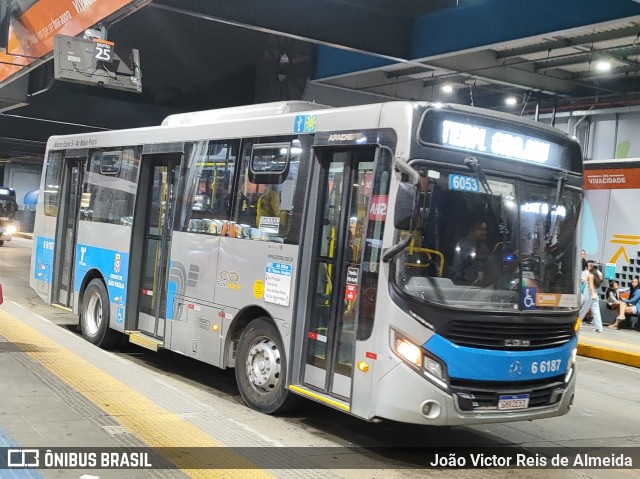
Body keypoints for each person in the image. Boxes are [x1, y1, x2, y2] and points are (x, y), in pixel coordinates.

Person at [450, 220, 491, 284]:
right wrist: (491, 257)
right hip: (460, 281)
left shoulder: (484, 247)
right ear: (471, 231)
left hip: (477, 283)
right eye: (480, 229)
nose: (484, 232)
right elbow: (474, 257)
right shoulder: (463, 243)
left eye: (485, 229)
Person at [578, 259, 603, 332]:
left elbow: (590, 285)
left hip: (589, 292)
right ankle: (599, 328)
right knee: (596, 311)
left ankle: (576, 323)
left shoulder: (588, 274)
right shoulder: (597, 273)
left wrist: (592, 294)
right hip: (594, 293)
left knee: (583, 310)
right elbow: (600, 279)